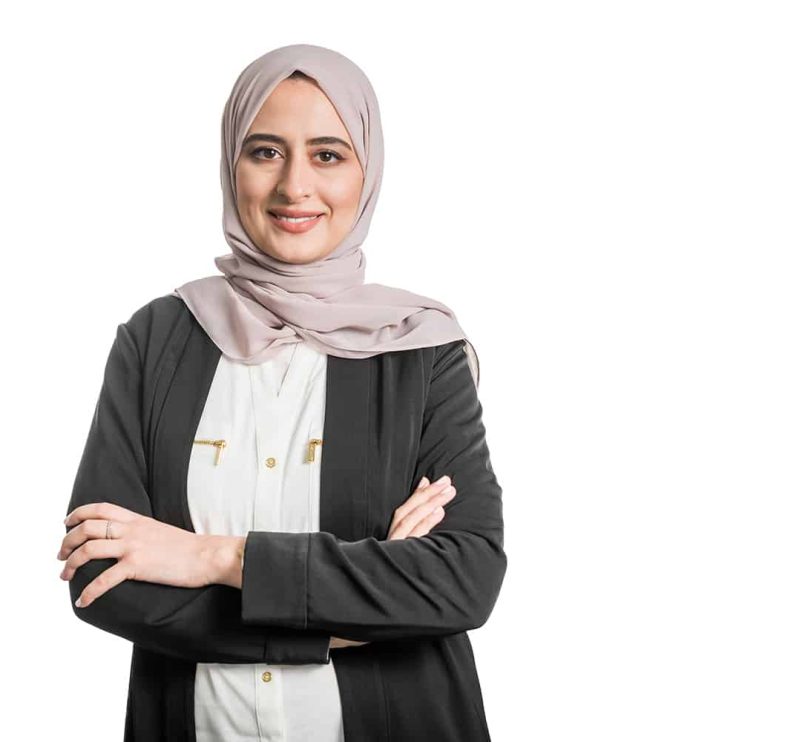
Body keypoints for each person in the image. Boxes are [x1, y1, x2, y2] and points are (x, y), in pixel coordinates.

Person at [57, 43, 506, 741]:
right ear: (230, 162)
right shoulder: (158, 339)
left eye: (328, 155)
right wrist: (355, 612)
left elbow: (461, 581)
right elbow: (101, 576)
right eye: (265, 152)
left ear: (366, 171)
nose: (295, 186)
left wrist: (213, 558)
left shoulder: (421, 350)